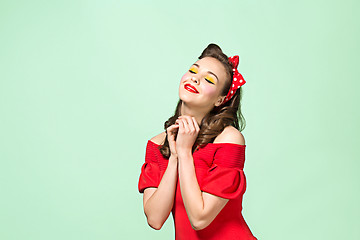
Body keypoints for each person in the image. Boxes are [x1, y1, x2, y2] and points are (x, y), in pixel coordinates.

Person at [138, 43, 257, 240]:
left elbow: (200, 218)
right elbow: (155, 219)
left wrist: (185, 152)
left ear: (220, 100)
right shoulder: (157, 144)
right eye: (193, 70)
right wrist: (175, 156)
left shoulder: (228, 139)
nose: (195, 78)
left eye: (209, 80)